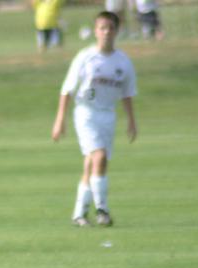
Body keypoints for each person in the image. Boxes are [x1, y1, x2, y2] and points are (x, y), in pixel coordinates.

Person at [51, 11, 137, 227]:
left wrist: (131, 120)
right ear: (95, 31)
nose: (106, 32)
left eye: (110, 28)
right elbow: (67, 89)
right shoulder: (85, 57)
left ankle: (79, 214)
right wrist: (60, 119)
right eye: (102, 28)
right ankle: (102, 210)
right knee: (99, 157)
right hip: (86, 113)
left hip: (108, 115)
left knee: (91, 164)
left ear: (117, 31)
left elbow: (127, 93)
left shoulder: (123, 61)